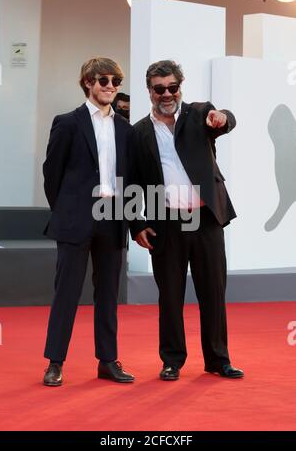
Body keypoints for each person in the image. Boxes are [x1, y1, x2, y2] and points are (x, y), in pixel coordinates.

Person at [131, 60, 244, 380]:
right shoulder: (139, 132)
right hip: (166, 223)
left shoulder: (199, 114)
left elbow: (225, 121)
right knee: (169, 296)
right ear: (149, 91)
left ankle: (218, 359)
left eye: (172, 87)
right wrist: (135, 223)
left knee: (213, 290)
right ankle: (172, 360)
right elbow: (131, 182)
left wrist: (223, 118)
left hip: (206, 219)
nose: (166, 94)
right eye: (159, 89)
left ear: (180, 87)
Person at [43, 57, 135, 386]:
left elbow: (130, 177)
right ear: (88, 82)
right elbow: (51, 174)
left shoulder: (126, 128)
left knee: (108, 294)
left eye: (115, 81)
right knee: (66, 292)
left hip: (113, 219)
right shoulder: (67, 122)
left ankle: (107, 361)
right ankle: (55, 362)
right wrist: (68, 209)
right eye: (103, 80)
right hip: (76, 218)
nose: (110, 86)